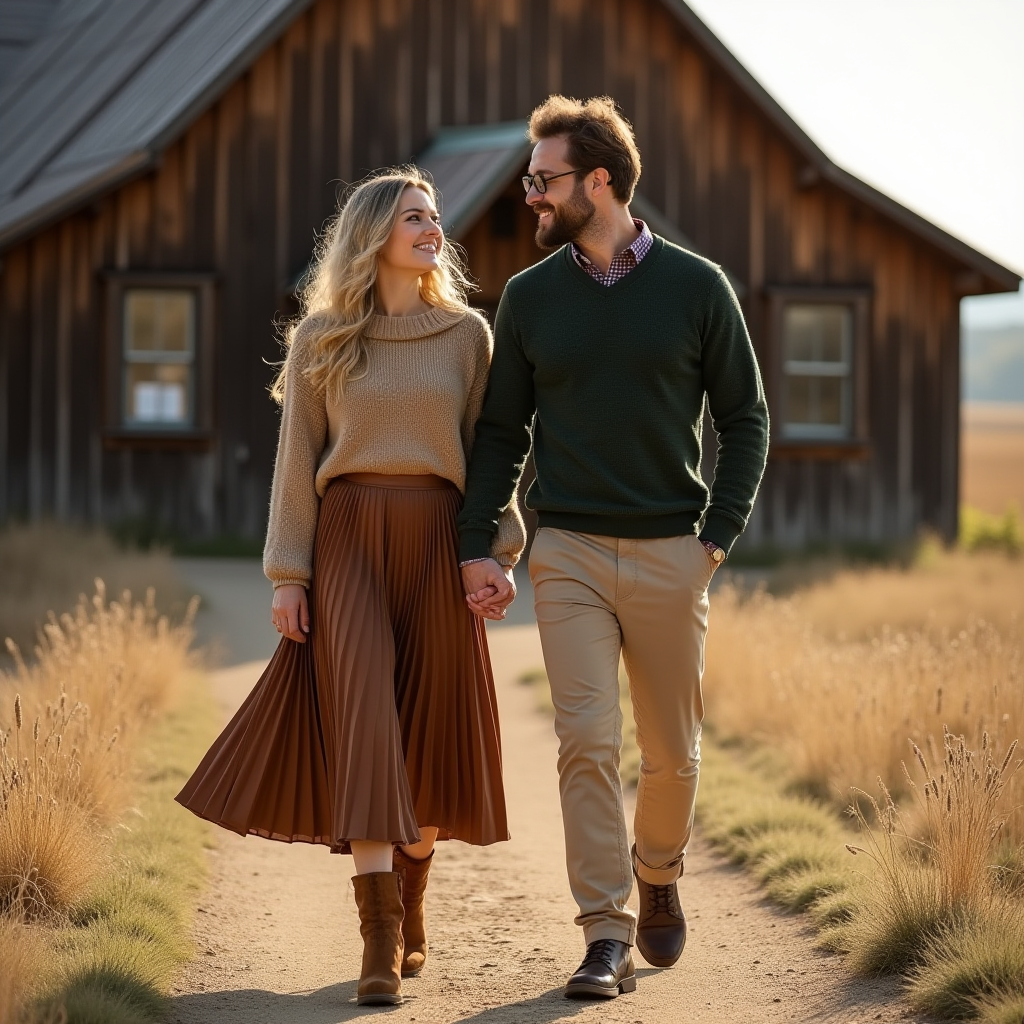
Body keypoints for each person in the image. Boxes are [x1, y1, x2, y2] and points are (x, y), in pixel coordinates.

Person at [176, 169, 524, 1006]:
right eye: (415, 216)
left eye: (435, 216)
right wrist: (288, 575)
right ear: (374, 233)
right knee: (365, 719)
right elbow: (297, 466)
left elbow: (490, 451)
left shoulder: (468, 335)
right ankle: (376, 938)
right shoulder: (322, 339)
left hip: (441, 539)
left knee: (430, 729)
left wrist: (500, 546)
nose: (432, 227)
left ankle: (410, 905)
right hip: (348, 544)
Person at [457, 95, 769, 999]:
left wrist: (715, 538)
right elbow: (501, 432)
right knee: (586, 742)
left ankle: (659, 872)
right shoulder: (529, 296)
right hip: (571, 555)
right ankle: (604, 930)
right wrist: (481, 542)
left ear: (600, 181)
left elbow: (745, 420)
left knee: (673, 755)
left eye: (544, 179)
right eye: (531, 178)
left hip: (675, 550)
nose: (530, 195)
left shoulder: (697, 286)